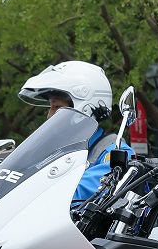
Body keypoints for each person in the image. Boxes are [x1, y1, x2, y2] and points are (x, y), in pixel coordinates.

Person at [18, 60, 133, 201]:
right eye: (50, 107)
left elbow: (77, 192)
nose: (49, 115)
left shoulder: (116, 153)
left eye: (57, 107)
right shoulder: (57, 152)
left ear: (83, 107)